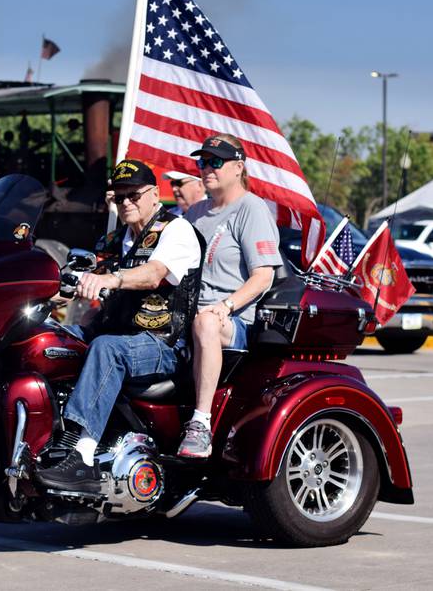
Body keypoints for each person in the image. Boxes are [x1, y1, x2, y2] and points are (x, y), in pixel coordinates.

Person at [36, 159, 203, 492]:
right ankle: (38, 440)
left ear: (155, 194)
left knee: (106, 348)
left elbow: (154, 273)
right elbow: (81, 284)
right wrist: (41, 294)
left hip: (161, 344)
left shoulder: (175, 230)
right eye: (119, 196)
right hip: (116, 334)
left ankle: (81, 456)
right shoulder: (115, 240)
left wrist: (111, 279)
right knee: (49, 340)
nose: (126, 202)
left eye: (134, 194)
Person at [179, 134, 283, 458]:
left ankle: (200, 425)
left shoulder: (252, 209)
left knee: (205, 324)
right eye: (202, 161)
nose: (206, 167)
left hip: (233, 321)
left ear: (238, 167)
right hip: (185, 311)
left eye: (215, 161)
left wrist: (225, 306)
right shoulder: (194, 213)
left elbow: (263, 276)